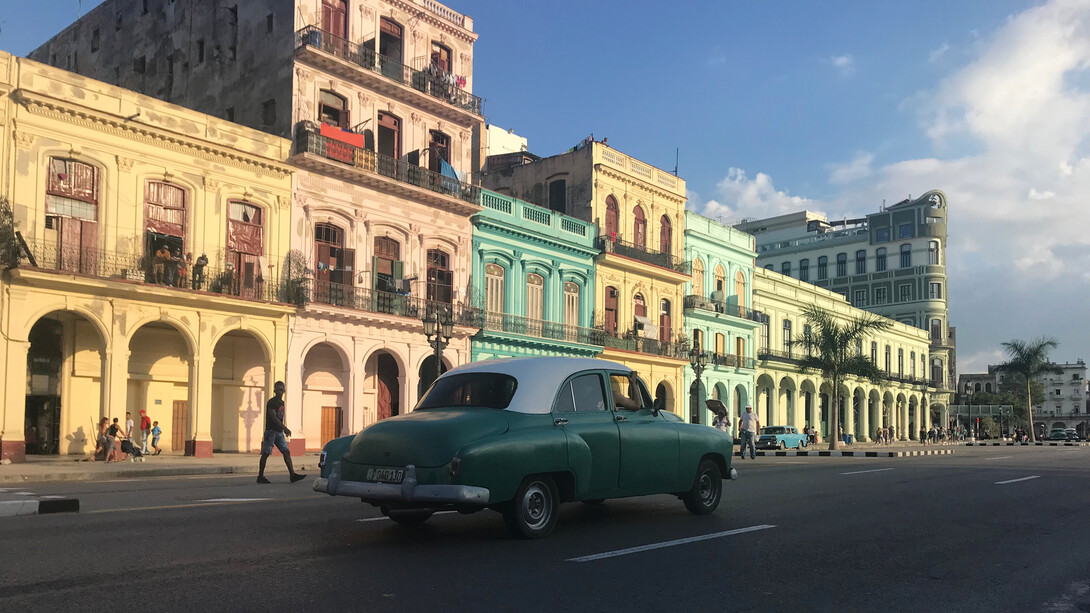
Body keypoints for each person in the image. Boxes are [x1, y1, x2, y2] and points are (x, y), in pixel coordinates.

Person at [257, 381, 306, 484]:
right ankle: (260, 476)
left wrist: (283, 429)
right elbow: (273, 417)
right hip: (271, 432)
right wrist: (285, 428)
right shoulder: (272, 402)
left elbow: (279, 418)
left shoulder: (281, 402)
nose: (280, 391)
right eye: (278, 389)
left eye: (282, 389)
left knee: (286, 452)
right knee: (266, 453)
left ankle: (292, 475)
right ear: (274, 390)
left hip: (279, 432)